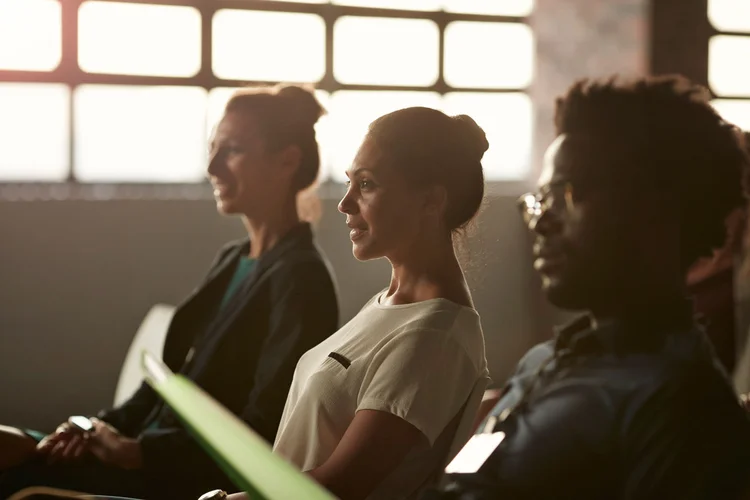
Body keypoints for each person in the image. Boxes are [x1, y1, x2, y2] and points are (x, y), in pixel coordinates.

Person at [0, 84, 340, 499]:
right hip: (141, 455)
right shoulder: (234, 259)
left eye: (232, 150)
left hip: (180, 480)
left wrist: (139, 453)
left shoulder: (301, 278)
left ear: (287, 160)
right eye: (213, 149)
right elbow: (170, 379)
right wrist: (90, 427)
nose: (213, 167)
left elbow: (264, 425)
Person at [423, 75, 750, 500]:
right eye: (540, 200)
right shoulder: (544, 361)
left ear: (653, 212)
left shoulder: (684, 408)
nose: (541, 221)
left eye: (565, 194)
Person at [217, 106, 491, 500]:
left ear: (431, 200)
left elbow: (340, 487)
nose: (344, 204)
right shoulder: (389, 304)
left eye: (366, 184)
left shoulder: (434, 336)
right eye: (350, 182)